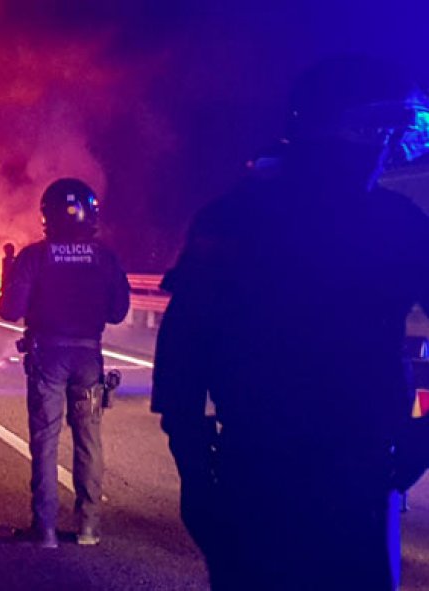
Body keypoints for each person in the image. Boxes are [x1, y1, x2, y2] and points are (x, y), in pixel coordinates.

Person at [151, 56, 429, 591]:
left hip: (273, 469)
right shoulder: (396, 224)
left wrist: (190, 462)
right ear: (329, 129)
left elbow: (184, 346)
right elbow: (186, 344)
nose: (385, 147)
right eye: (374, 129)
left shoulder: (231, 216)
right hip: (341, 475)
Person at [0, 178, 130, 548]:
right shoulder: (105, 257)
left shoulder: (34, 256)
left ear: (47, 215)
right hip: (89, 357)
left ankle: (46, 530)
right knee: (89, 440)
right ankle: (89, 527)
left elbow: (9, 310)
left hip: (48, 357)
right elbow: (119, 312)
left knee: (45, 441)